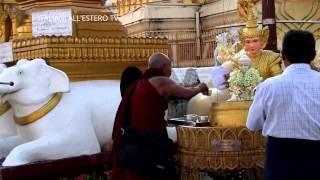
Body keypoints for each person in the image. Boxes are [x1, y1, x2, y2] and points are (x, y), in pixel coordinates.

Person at [112, 52, 208, 180]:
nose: (171, 69)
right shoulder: (161, 80)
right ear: (163, 66)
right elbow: (187, 93)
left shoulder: (139, 83)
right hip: (152, 138)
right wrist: (201, 87)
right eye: (170, 66)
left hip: (136, 138)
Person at [246, 29, 319, 180]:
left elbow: (252, 124)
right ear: (313, 55)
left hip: (279, 160)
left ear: (282, 55)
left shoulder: (268, 86)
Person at [230, 3, 282, 80]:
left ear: (262, 41)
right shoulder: (238, 59)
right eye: (248, 42)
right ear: (243, 43)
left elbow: (278, 80)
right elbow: (235, 82)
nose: (251, 45)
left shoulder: (270, 58)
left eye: (255, 41)